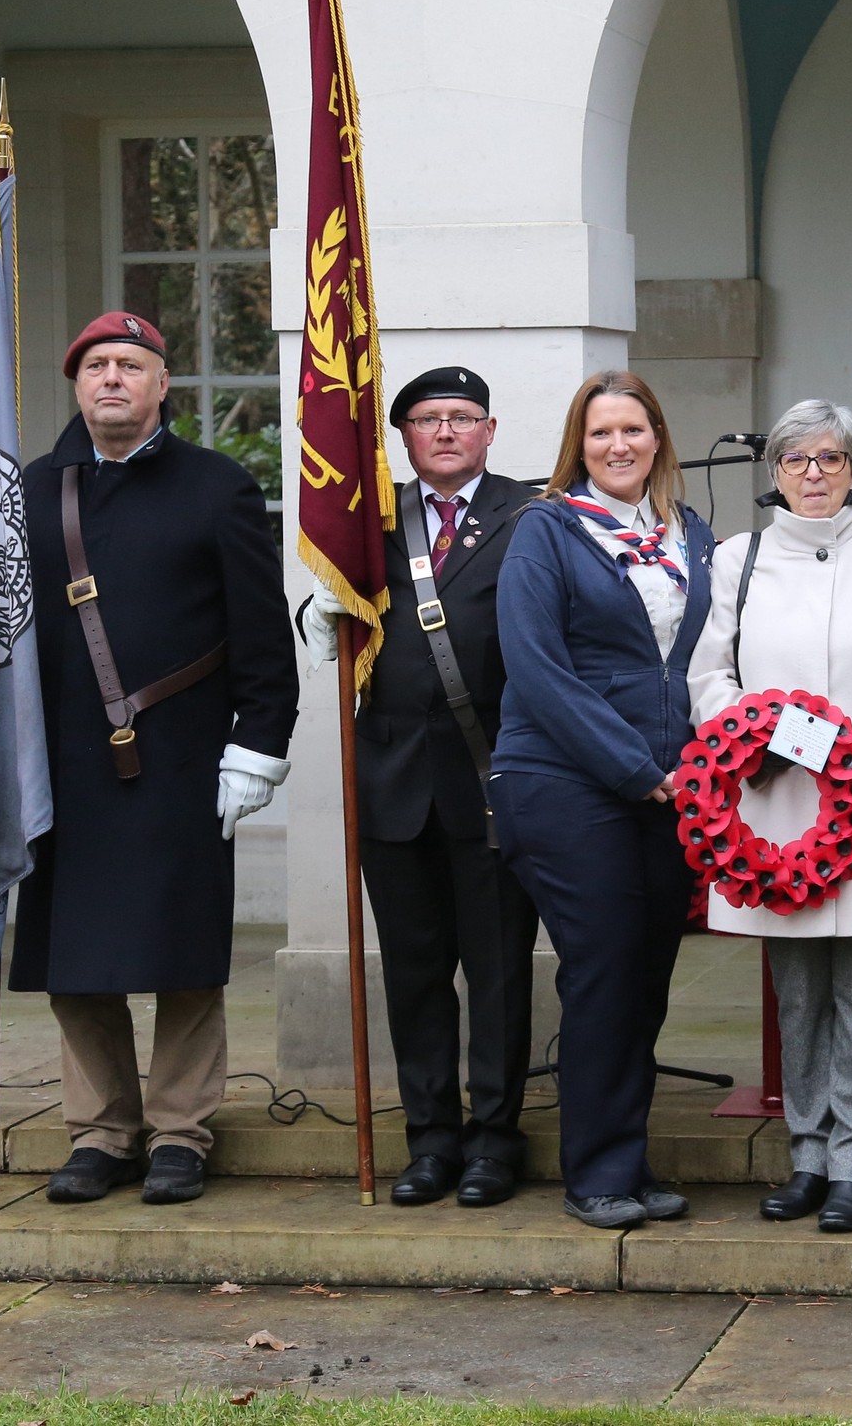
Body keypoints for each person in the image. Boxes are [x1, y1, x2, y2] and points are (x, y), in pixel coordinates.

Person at [12, 311, 296, 1206]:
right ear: (76, 383)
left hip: (178, 757)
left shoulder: (217, 486)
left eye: (130, 365)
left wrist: (258, 742)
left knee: (183, 953)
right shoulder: (30, 490)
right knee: (72, 958)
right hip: (60, 764)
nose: (111, 379)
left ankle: (179, 1132)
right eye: (96, 364)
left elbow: (262, 633)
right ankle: (101, 1131)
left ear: (161, 384)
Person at [688, 399, 852, 1235]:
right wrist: (754, 741)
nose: (813, 473)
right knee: (799, 1000)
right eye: (796, 459)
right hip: (776, 816)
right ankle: (807, 1156)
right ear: (773, 472)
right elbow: (709, 673)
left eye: (831, 458)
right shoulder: (736, 560)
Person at [299, 366, 542, 1206]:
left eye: (462, 417)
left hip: (493, 775)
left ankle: (494, 1141)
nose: (444, 431)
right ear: (402, 435)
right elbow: (329, 610)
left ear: (489, 430)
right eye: (428, 418)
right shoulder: (369, 519)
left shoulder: (532, 515)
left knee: (499, 973)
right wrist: (319, 612)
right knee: (413, 973)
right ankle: (431, 1141)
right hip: (394, 779)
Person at [490, 370, 717, 1230]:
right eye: (600, 433)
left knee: (645, 976)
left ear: (657, 437)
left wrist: (714, 759)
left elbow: (706, 659)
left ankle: (627, 1159)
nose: (617, 445)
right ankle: (597, 1173)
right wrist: (631, 765)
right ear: (577, 447)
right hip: (563, 781)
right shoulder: (546, 529)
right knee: (605, 969)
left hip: (666, 789)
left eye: (632, 429)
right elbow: (536, 666)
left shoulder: (690, 534)